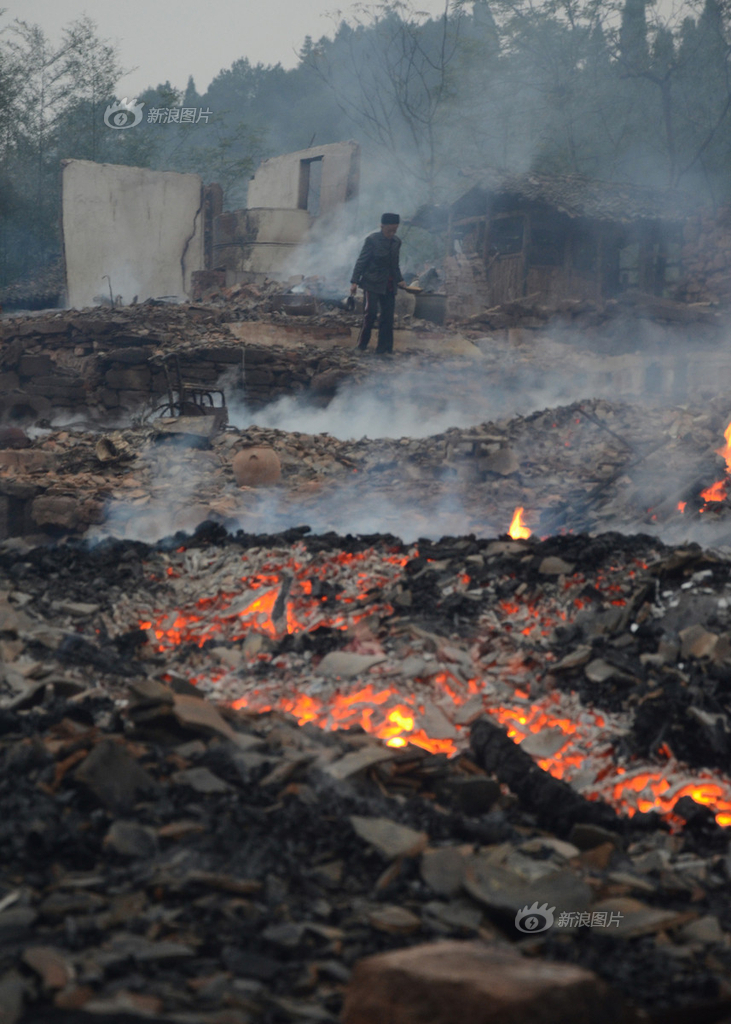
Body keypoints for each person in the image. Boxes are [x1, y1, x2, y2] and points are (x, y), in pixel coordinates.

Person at [350, 213, 406, 355]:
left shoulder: (396, 242)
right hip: (372, 282)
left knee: (387, 317)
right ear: (382, 227)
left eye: (395, 230)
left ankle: (384, 349)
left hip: (389, 284)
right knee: (371, 314)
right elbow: (361, 261)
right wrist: (354, 281)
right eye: (389, 231)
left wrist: (400, 279)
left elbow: (395, 264)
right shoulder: (372, 240)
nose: (392, 234)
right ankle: (361, 346)